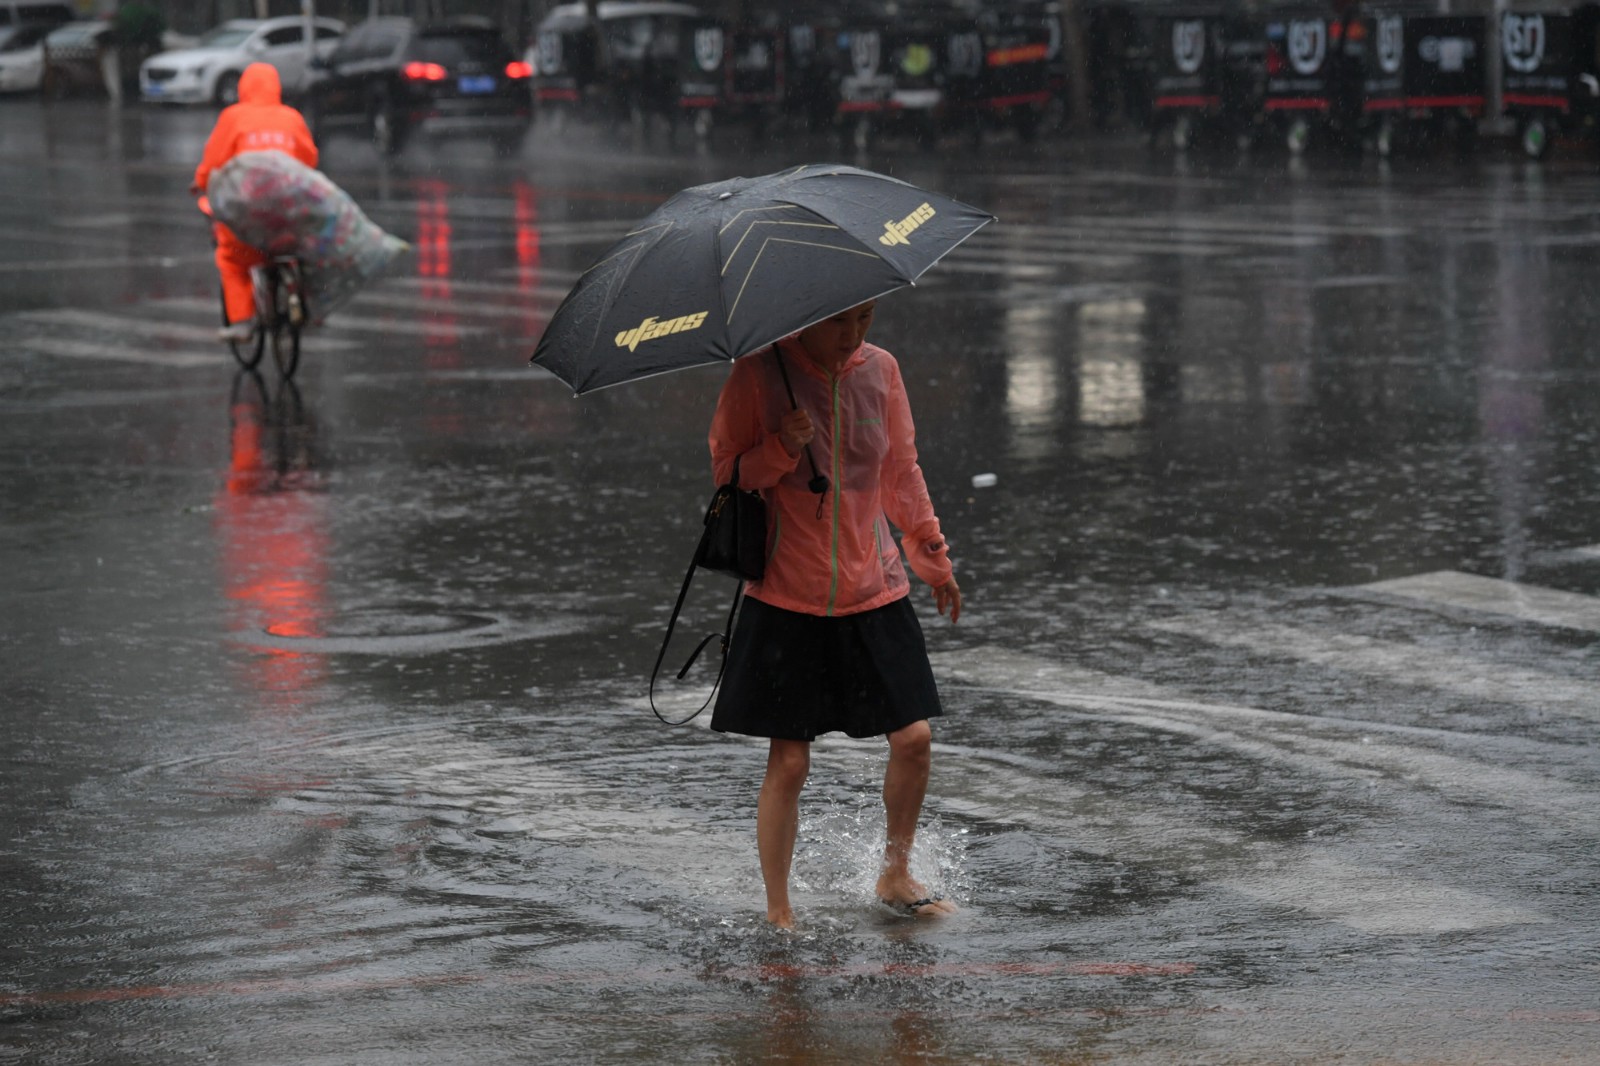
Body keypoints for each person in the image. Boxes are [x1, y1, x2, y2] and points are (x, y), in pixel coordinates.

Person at [707, 299, 962, 930]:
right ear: (805, 317)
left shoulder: (881, 370)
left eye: (866, 319)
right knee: (789, 761)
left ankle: (896, 870)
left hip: (874, 582)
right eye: (838, 322)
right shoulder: (759, 373)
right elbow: (726, 473)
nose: (852, 335)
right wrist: (779, 449)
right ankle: (778, 908)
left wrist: (931, 551)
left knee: (914, 739)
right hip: (786, 592)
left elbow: (901, 469)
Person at [190, 62, 318, 343]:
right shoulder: (291, 117)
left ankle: (242, 323)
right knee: (296, 250)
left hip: (247, 211)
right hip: (288, 210)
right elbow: (309, 158)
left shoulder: (234, 117)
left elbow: (214, 162)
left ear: (243, 88)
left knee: (232, 258)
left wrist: (200, 183)